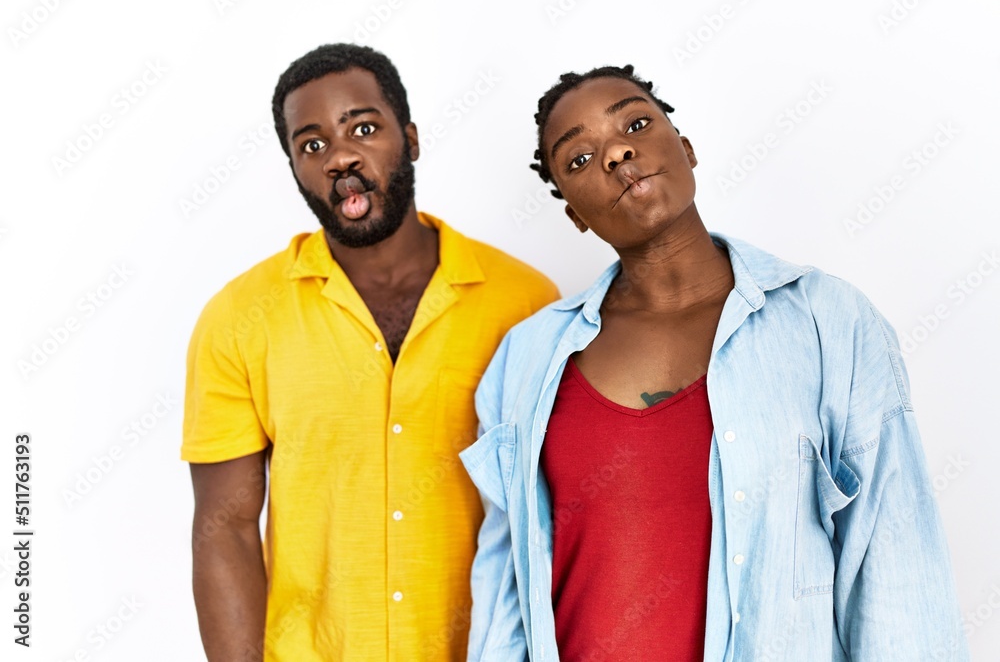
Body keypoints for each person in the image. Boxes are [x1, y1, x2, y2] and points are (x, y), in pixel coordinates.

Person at [460, 64, 970, 661]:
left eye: (637, 122)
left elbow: (895, 564)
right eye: (578, 159)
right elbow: (506, 595)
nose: (618, 151)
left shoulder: (828, 322)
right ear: (573, 211)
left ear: (687, 148)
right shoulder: (526, 358)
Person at [181, 43, 558, 662]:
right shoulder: (239, 319)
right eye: (312, 145)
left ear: (409, 138)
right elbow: (224, 527)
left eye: (363, 128)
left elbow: (557, 507)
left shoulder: (525, 303)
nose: (340, 157)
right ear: (296, 169)